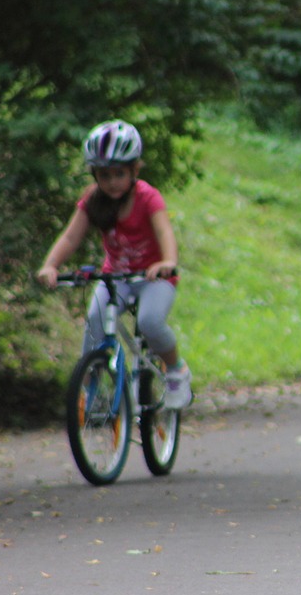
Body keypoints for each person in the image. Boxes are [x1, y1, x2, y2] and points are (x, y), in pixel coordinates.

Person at [36, 120, 194, 411]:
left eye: (119, 173)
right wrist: (51, 265)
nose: (112, 182)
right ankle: (91, 384)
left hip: (153, 277)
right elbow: (71, 237)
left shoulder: (147, 197)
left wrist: (167, 262)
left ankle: (176, 371)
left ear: (135, 170)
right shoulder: (93, 200)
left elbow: (164, 232)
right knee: (95, 319)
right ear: (94, 174)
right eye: (104, 174)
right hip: (117, 277)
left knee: (149, 322)